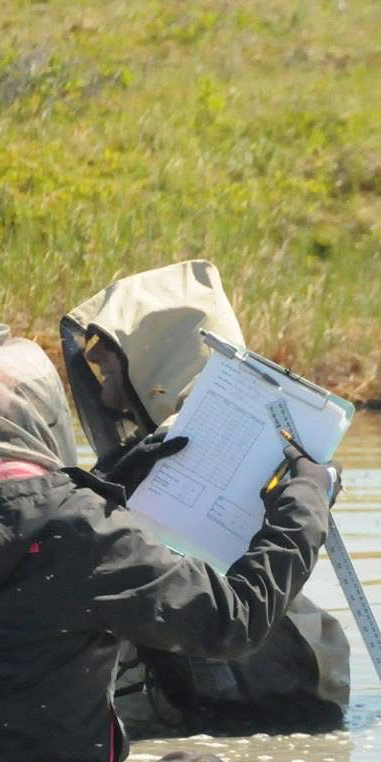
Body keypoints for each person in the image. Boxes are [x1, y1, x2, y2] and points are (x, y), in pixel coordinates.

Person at [0, 321, 338, 762]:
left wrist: (107, 483)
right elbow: (234, 620)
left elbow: (8, 531)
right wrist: (306, 500)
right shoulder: (84, 532)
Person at [59, 260, 353, 735]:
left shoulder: (249, 437)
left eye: (111, 373)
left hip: (270, 678)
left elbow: (224, 608)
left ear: (156, 363)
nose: (108, 397)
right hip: (216, 678)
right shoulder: (151, 452)